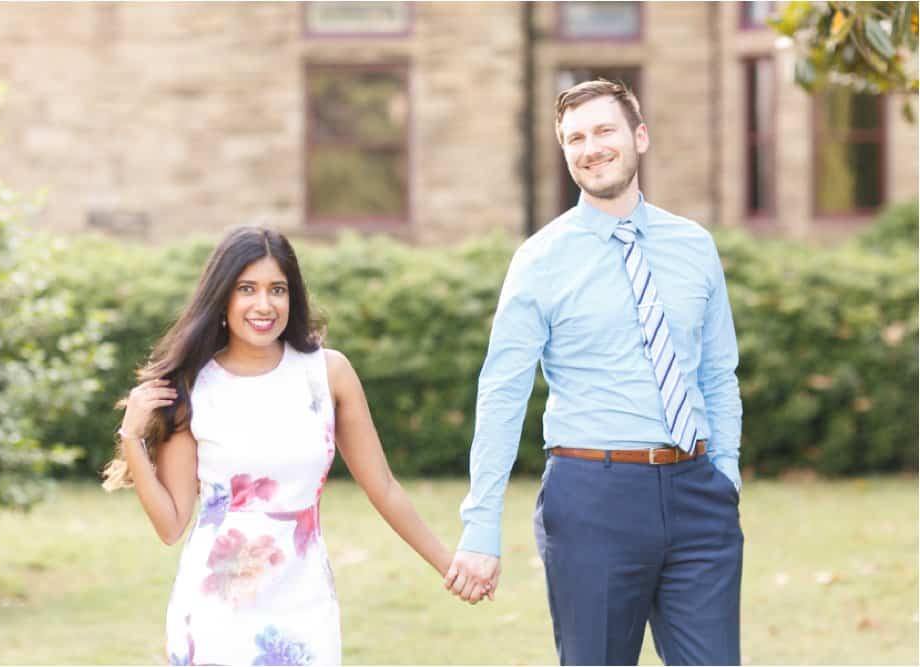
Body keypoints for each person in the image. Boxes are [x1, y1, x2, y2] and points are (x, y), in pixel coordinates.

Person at [444, 79, 744, 665]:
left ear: (639, 136)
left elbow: (717, 373)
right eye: (574, 138)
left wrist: (725, 474)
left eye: (604, 131)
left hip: (699, 495)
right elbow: (502, 394)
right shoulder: (540, 259)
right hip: (593, 498)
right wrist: (481, 526)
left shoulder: (694, 245)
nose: (591, 148)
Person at [102, 226, 470, 666]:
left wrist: (449, 564)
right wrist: (131, 439)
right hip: (216, 610)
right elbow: (170, 525)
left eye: (277, 289)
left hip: (305, 603)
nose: (264, 304)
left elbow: (384, 487)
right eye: (247, 289)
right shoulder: (192, 386)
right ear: (222, 300)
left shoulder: (327, 373)